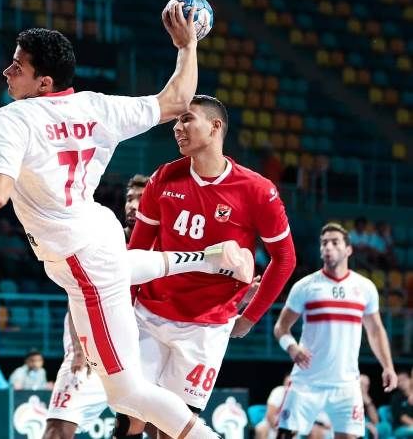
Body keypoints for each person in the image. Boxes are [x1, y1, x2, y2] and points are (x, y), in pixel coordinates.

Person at [0, 16, 255, 438]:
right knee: (119, 270)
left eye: (18, 66)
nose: (7, 71)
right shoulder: (97, 106)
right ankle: (207, 259)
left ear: (44, 82)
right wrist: (187, 46)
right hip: (94, 231)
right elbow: (176, 100)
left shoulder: (12, 119)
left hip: (80, 258)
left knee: (126, 394)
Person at [119, 95, 297, 438]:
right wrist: (123, 307)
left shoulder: (257, 190)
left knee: (171, 430)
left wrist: (250, 318)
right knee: (130, 418)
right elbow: (136, 252)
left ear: (215, 127)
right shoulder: (163, 178)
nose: (177, 127)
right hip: (149, 315)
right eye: (177, 120)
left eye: (187, 119)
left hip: (205, 328)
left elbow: (285, 258)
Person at [273, 222, 398, 439]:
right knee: (285, 436)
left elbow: (376, 330)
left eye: (334, 242)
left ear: (348, 249)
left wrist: (388, 366)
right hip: (306, 382)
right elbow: (281, 327)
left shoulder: (365, 288)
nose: (328, 247)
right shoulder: (305, 286)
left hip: (346, 385)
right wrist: (292, 347)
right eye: (324, 243)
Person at [44, 172, 145, 439]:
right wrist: (79, 349)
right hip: (92, 349)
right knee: (57, 428)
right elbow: (76, 291)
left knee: (137, 428)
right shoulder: (106, 238)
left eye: (141, 199)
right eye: (130, 198)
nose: (132, 205)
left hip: (135, 353)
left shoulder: (161, 248)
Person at [123, 174, 149, 241]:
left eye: (141, 200)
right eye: (129, 200)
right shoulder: (111, 238)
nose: (133, 206)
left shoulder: (163, 243)